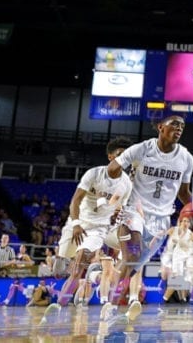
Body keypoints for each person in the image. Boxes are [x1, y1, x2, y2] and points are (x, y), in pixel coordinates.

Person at [105, 115, 193, 323]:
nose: (179, 128)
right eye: (174, 124)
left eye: (182, 126)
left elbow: (183, 192)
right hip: (134, 212)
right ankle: (111, 306)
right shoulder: (141, 149)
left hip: (161, 221)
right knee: (132, 257)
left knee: (131, 268)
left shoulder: (186, 158)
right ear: (161, 127)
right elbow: (112, 168)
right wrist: (117, 186)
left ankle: (110, 303)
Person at [43, 136, 133, 323]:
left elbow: (118, 207)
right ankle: (80, 275)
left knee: (81, 260)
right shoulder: (94, 174)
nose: (124, 159)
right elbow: (75, 200)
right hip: (77, 222)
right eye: (120, 155)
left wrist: (116, 215)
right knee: (59, 269)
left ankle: (59, 305)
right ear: (110, 157)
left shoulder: (127, 184)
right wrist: (76, 224)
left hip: (98, 229)